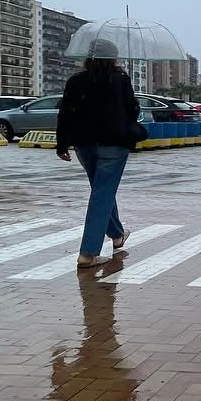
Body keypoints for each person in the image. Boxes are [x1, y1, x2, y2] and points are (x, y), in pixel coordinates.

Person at [56, 38, 142, 269]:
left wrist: (61, 144)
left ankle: (117, 235)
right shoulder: (119, 78)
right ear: (112, 59)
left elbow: (64, 113)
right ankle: (88, 253)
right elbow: (132, 108)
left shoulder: (75, 80)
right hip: (114, 144)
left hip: (84, 145)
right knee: (102, 194)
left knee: (101, 190)